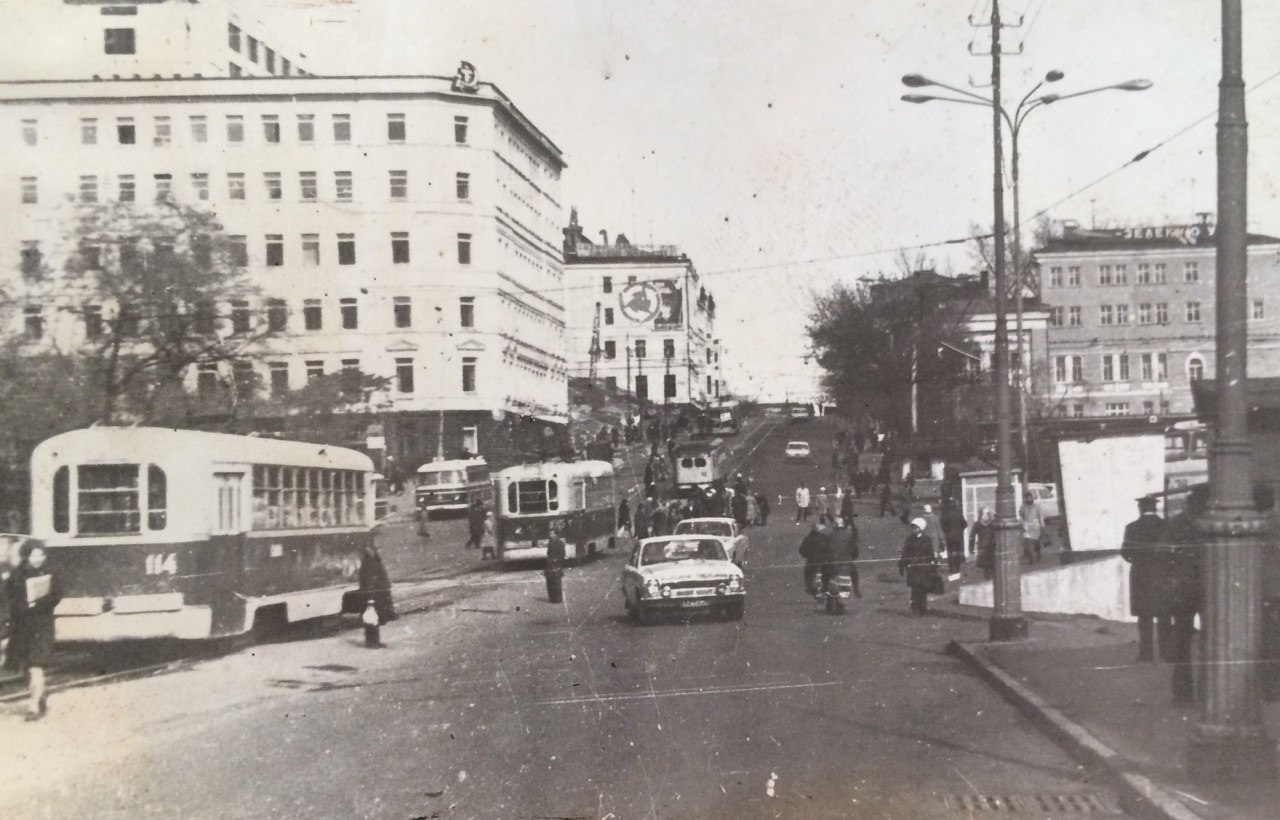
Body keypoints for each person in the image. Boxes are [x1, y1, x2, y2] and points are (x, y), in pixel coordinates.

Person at [5, 543, 61, 719]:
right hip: (22, 627)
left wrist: (38, 604)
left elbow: (57, 595)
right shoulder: (16, 575)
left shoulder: (51, 572)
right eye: (35, 556)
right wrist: (23, 606)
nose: (39, 559)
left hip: (42, 625)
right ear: (26, 556)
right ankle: (40, 694)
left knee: (36, 665)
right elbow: (9, 599)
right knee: (26, 667)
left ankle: (34, 707)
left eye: (41, 555)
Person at [1165, 487, 1206, 704]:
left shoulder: (1176, 522)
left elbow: (1164, 552)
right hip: (1208, 587)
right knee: (1211, 641)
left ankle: (1182, 693)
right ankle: (1208, 691)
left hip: (1182, 587)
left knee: (1181, 641)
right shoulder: (1211, 522)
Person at [1120, 496, 1169, 663]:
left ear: (1140, 509)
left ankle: (1146, 654)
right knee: (1164, 615)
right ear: (1155, 508)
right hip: (1162, 573)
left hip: (1141, 574)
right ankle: (1166, 652)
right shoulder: (1166, 525)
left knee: (1144, 616)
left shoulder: (1132, 527)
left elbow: (1125, 552)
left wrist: (1137, 560)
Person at [898, 518, 937, 616]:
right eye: (913, 528)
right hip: (913, 568)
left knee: (923, 588)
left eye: (916, 528)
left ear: (921, 528)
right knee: (915, 588)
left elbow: (930, 554)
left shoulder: (927, 540)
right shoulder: (909, 539)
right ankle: (915, 608)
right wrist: (902, 565)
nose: (914, 530)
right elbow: (905, 553)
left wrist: (933, 565)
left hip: (924, 568)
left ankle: (923, 607)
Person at [825, 514, 861, 608]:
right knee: (854, 573)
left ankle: (825, 591)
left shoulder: (829, 535)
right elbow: (855, 551)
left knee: (826, 576)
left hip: (832, 562)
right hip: (845, 562)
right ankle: (856, 590)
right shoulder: (848, 535)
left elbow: (825, 549)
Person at [797, 519, 832, 597]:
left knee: (808, 573)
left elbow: (802, 551)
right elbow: (830, 549)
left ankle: (810, 588)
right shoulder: (826, 538)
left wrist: (809, 555)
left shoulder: (808, 538)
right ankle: (825, 588)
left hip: (812, 561)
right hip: (825, 561)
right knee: (828, 574)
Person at [940, 499, 968, 575]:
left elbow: (942, 525)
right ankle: (957, 567)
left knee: (950, 552)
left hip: (949, 536)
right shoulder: (959, 514)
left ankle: (951, 567)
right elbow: (965, 524)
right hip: (958, 536)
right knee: (958, 551)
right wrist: (960, 530)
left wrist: (946, 531)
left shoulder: (946, 514)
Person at [970, 508, 997, 580]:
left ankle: (991, 578)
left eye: (988, 514)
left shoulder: (992, 524)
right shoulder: (977, 525)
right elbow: (972, 537)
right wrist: (971, 549)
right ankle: (988, 578)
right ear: (981, 515)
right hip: (984, 548)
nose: (987, 516)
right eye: (985, 514)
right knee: (986, 566)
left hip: (991, 548)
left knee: (991, 565)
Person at [1020, 490, 1045, 564]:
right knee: (1028, 543)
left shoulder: (1037, 506)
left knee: (1036, 543)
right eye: (1027, 498)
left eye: (1030, 497)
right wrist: (1022, 524)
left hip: (1035, 527)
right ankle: (1031, 559)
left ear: (1032, 498)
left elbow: (1041, 517)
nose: (1029, 499)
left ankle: (1038, 553)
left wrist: (1042, 526)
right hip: (1027, 527)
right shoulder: (1023, 507)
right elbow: (1021, 516)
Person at [544, 522, 567, 604]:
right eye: (550, 533)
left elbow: (562, 555)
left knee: (557, 583)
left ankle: (558, 598)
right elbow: (548, 553)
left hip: (556, 565)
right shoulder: (550, 543)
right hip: (549, 565)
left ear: (556, 534)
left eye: (551, 533)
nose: (550, 535)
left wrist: (556, 560)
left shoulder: (560, 543)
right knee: (549, 582)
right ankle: (552, 598)